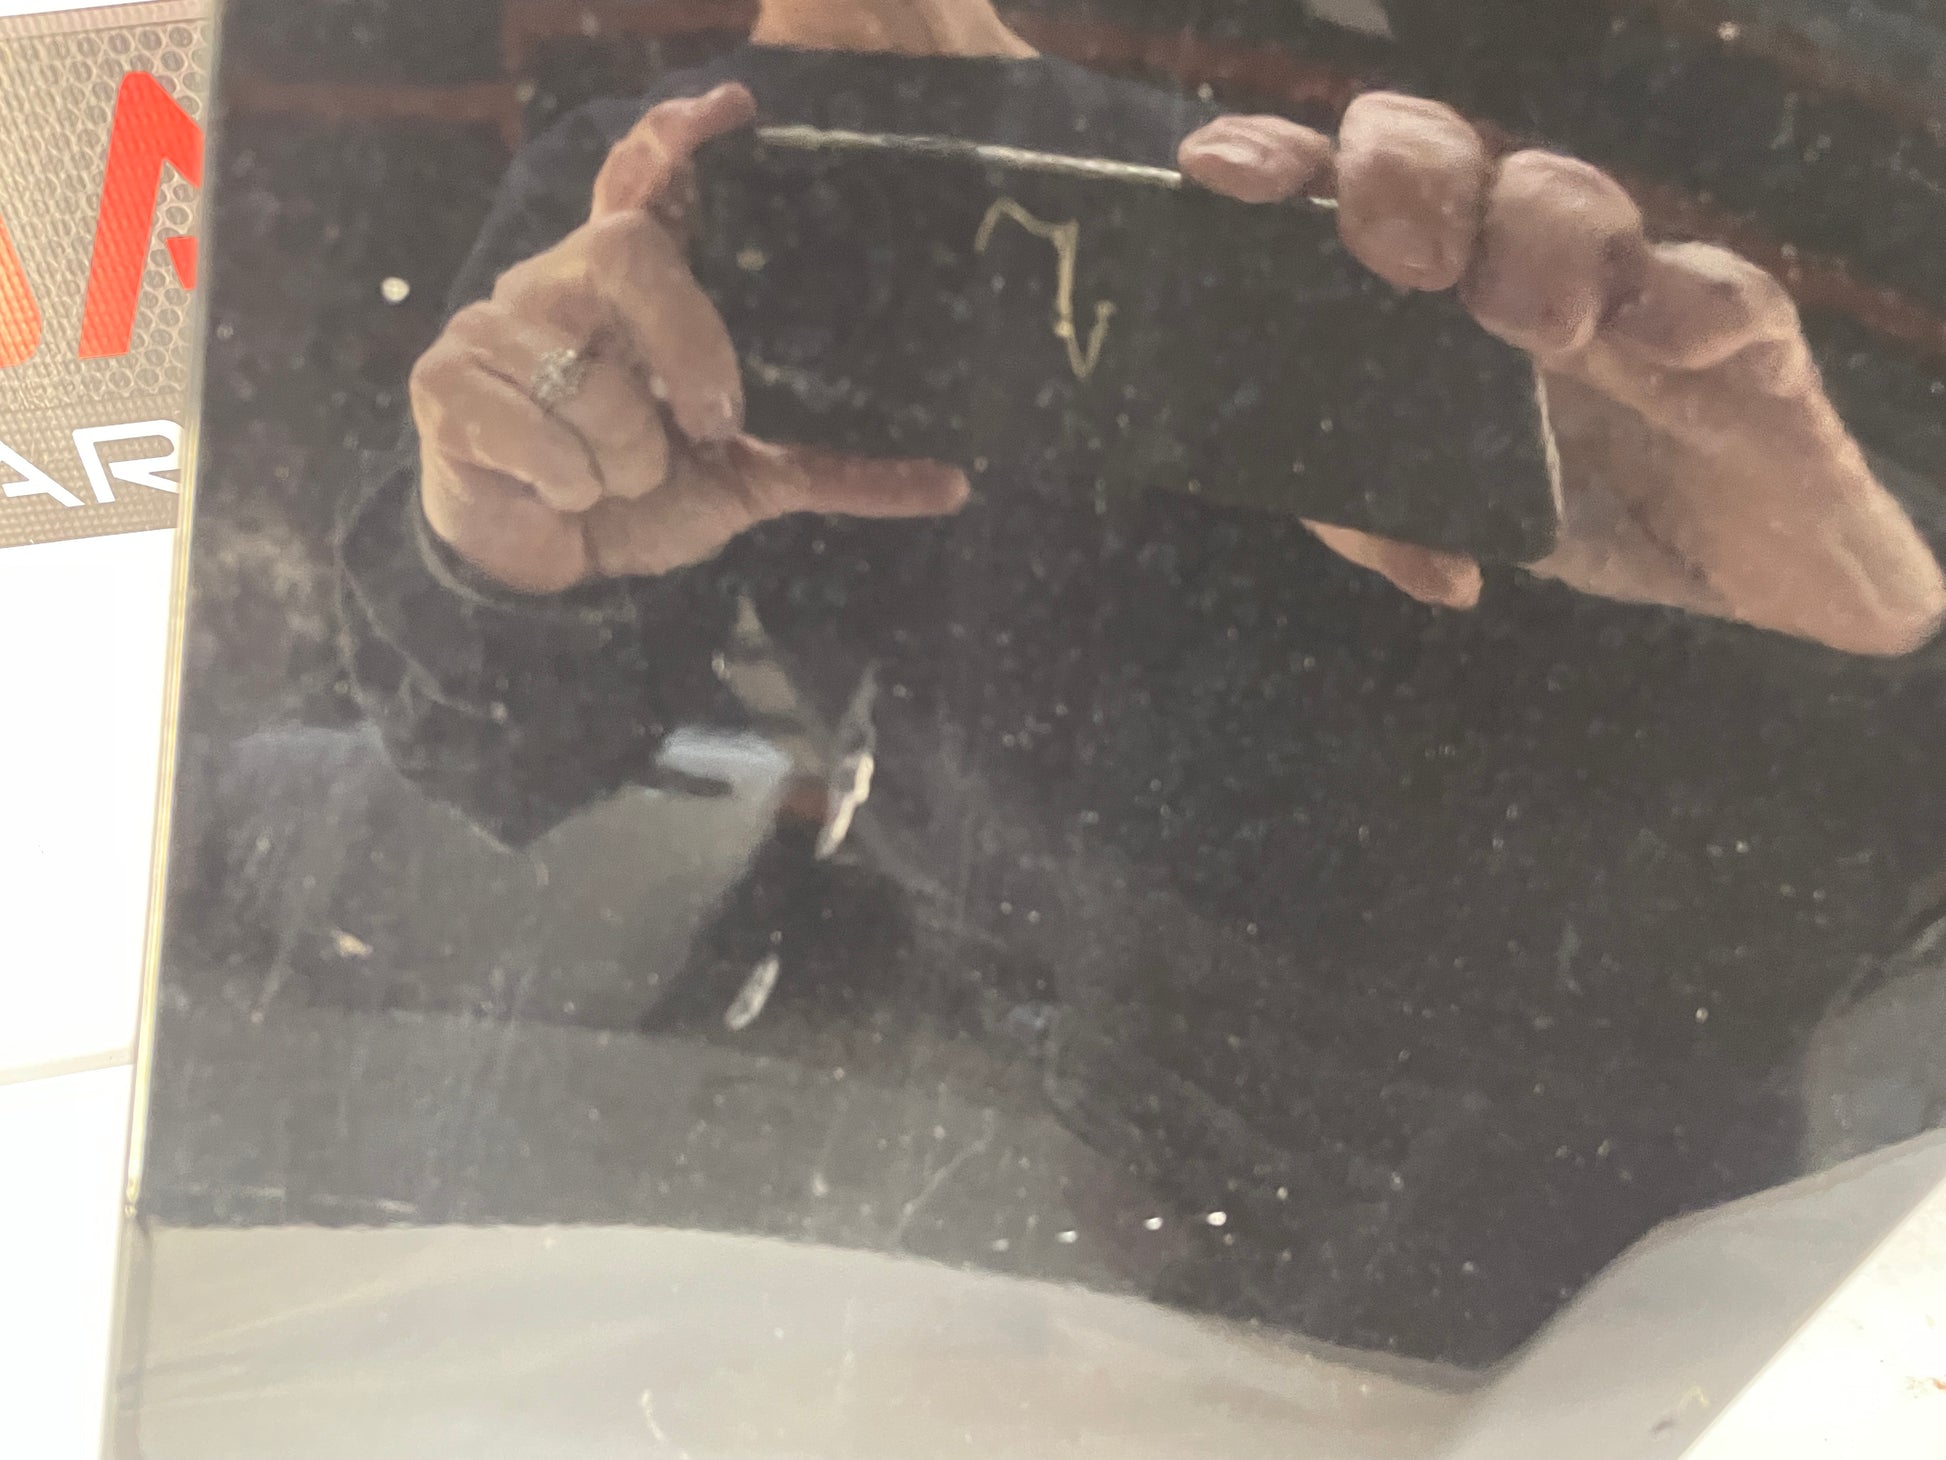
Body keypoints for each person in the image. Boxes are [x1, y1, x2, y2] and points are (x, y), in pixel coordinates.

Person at [339, 0, 1946, 1363]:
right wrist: (497, 543)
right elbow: (488, 752)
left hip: (1697, 1140)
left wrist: (1870, 626)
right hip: (1149, 1179)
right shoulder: (652, 189)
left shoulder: (1359, 106)